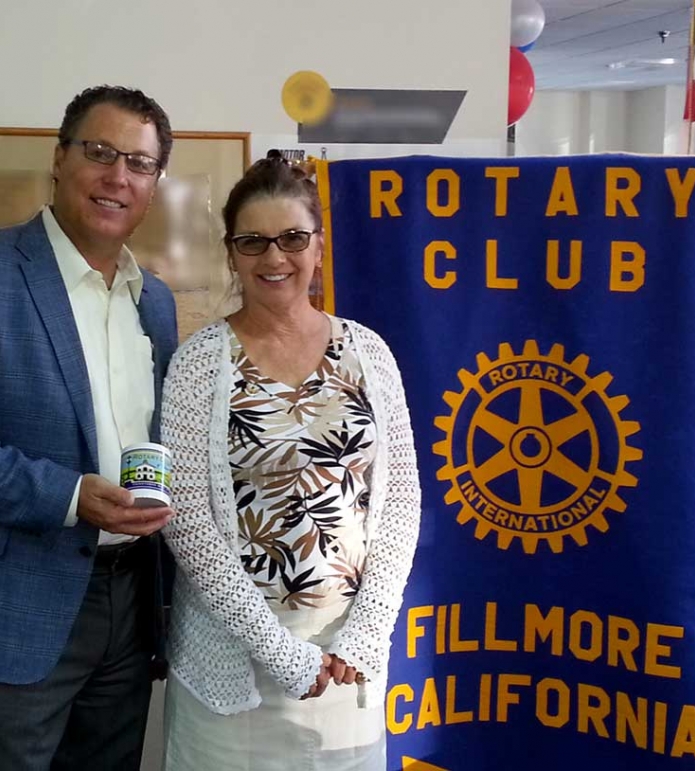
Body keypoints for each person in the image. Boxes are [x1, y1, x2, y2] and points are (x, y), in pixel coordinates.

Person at [0, 85, 178, 770]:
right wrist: (70, 494)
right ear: (59, 158)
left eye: (139, 163)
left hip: (133, 598)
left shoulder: (156, 299)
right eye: (100, 152)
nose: (118, 176)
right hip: (16, 600)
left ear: (154, 183)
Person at [158, 155, 422, 770]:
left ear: (318, 247)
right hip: (235, 658)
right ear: (231, 254)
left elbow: (403, 499)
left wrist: (369, 629)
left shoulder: (369, 352)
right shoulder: (199, 363)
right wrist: (278, 651)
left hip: (347, 656)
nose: (274, 258)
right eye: (253, 242)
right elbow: (188, 522)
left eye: (292, 239)